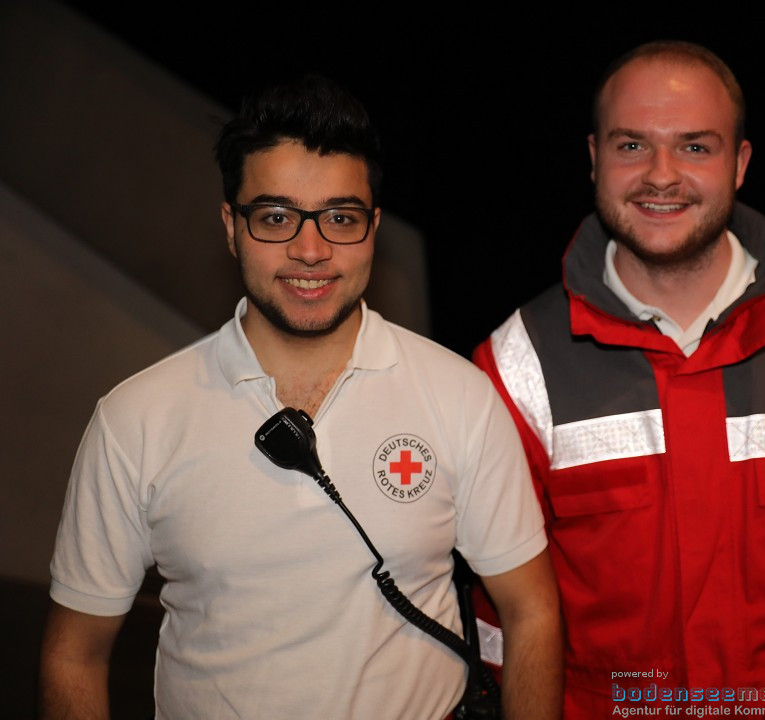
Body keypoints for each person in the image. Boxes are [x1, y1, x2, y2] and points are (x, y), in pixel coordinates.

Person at [40, 76, 562, 720]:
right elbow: (75, 652)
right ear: (231, 226)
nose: (310, 250)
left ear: (373, 228)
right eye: (277, 217)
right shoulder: (135, 419)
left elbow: (530, 609)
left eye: (340, 218)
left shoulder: (459, 397)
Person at [473, 42, 765, 717]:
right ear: (593, 159)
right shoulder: (515, 366)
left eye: (695, 147)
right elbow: (501, 640)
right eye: (632, 145)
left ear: (741, 164)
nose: (660, 175)